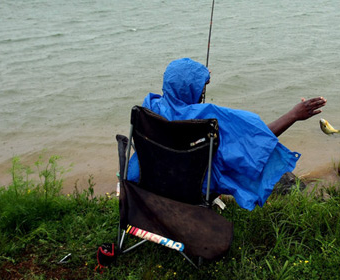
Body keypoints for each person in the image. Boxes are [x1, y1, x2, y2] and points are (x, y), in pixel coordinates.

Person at [127, 57, 326, 210]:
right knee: (239, 156)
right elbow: (255, 140)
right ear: (194, 89)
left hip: (153, 184)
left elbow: (179, 87)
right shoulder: (205, 118)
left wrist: (196, 77)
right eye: (201, 87)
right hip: (192, 190)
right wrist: (293, 115)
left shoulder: (149, 109)